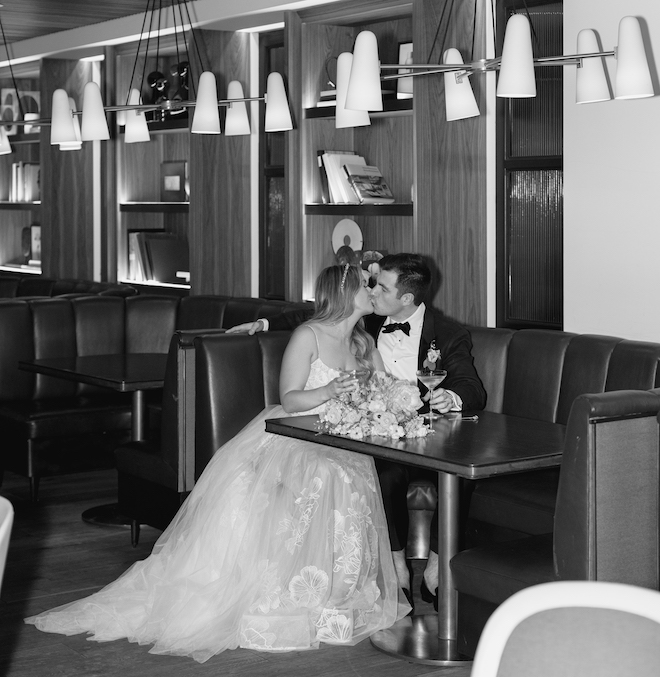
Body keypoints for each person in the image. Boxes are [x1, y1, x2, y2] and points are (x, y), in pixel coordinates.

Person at [25, 264, 410, 663]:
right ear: (345, 293)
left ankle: (337, 596)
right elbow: (290, 398)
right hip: (294, 434)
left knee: (351, 470)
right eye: (366, 286)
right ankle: (295, 593)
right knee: (327, 474)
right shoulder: (307, 335)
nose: (372, 291)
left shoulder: (365, 345)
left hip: (341, 437)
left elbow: (384, 392)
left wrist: (392, 404)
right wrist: (329, 390)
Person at [228, 253, 486, 609]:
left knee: (460, 471)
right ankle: (391, 568)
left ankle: (436, 572)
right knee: (377, 472)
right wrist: (262, 322)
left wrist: (447, 398)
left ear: (406, 298)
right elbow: (312, 317)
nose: (374, 291)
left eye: (380, 286)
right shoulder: (364, 326)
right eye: (369, 286)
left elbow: (471, 387)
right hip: (339, 434)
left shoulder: (429, 335)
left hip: (413, 435)